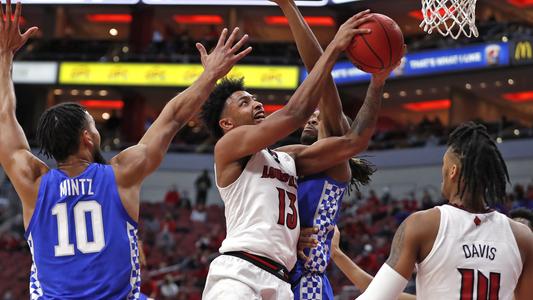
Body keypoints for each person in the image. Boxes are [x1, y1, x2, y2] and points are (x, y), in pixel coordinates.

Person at [0, 2, 252, 297]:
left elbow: (5, 116)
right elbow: (171, 118)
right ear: (87, 138)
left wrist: (5, 57)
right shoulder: (120, 174)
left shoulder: (32, 182)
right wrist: (211, 74)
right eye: (94, 126)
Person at [200, 13, 392, 299]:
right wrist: (333, 47)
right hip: (239, 273)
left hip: (280, 281)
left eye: (254, 98)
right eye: (244, 102)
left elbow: (354, 140)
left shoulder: (286, 159)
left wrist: (377, 83)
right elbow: (296, 113)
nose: (257, 103)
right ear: (226, 125)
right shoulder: (227, 147)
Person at [270, 2, 391, 299]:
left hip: (305, 283)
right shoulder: (288, 158)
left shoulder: (334, 165)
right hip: (274, 277)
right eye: (311, 114)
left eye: (320, 116)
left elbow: (321, 79)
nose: (313, 116)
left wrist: (289, 7)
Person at [355, 122, 533, 300]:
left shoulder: (422, 226)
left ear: (453, 171)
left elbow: (375, 298)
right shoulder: (523, 237)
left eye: (444, 165)